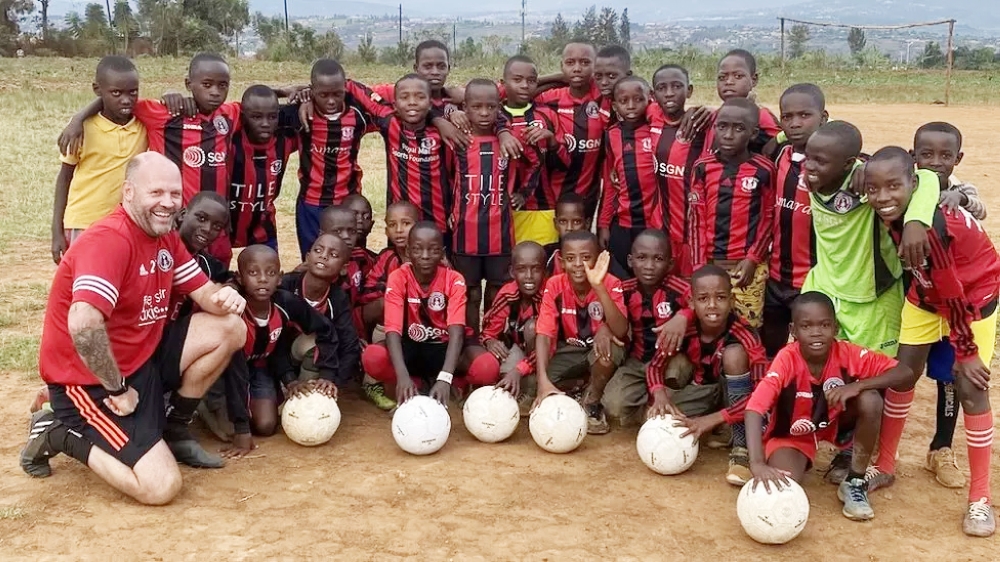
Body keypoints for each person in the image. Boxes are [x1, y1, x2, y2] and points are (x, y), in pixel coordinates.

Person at [21, 153, 247, 505]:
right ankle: (59, 431)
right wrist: (118, 387)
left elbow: (205, 294)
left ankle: (175, 426)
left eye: (175, 194)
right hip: (92, 380)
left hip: (141, 360)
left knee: (231, 327)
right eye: (156, 192)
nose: (168, 203)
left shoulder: (165, 238)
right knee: (161, 487)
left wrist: (227, 297)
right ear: (128, 192)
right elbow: (84, 323)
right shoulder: (110, 241)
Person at [866, 146, 1000, 537]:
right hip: (925, 297)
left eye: (894, 186)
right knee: (903, 374)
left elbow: (954, 291)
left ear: (913, 183)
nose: (883, 197)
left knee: (970, 386)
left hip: (973, 300)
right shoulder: (906, 205)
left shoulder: (932, 228)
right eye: (874, 188)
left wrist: (969, 352)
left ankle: (979, 500)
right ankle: (886, 465)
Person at [798, 123, 939, 483]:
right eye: (807, 157)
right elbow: (785, 135)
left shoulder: (864, 184)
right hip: (825, 291)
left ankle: (853, 451)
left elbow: (927, 177)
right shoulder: (804, 167)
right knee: (810, 370)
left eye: (819, 160)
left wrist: (917, 221)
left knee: (871, 382)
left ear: (847, 165)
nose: (809, 166)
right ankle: (803, 438)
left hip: (874, 299)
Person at [745, 291, 915, 522]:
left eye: (824, 325)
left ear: (835, 328)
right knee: (783, 486)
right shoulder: (787, 359)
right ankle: (792, 458)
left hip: (836, 424)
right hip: (794, 434)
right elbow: (754, 409)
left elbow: (905, 373)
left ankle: (854, 481)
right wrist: (756, 463)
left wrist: (859, 385)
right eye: (807, 326)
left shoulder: (847, 353)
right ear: (793, 331)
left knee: (870, 398)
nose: (816, 332)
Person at [911, 121, 987, 488]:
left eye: (945, 156)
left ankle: (941, 447)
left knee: (951, 376)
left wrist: (960, 199)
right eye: (927, 155)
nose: (936, 163)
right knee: (901, 372)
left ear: (957, 159)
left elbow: (980, 208)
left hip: (961, 301)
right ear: (914, 158)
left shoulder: (960, 191)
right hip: (920, 299)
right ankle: (882, 452)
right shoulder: (904, 188)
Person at [645, 265, 767, 485]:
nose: (712, 305)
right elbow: (654, 367)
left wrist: (712, 419)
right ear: (691, 302)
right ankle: (719, 428)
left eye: (720, 297)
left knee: (734, 355)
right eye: (703, 299)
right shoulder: (682, 329)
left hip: (735, 397)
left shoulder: (747, 336)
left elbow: (761, 398)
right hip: (701, 390)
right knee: (661, 419)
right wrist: (659, 394)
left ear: (731, 300)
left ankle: (741, 448)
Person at [360, 222, 498, 405]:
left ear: (442, 253)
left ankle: (454, 382)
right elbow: (392, 330)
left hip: (447, 348)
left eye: (433, 250)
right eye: (417, 250)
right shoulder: (399, 277)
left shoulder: (454, 279)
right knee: (373, 357)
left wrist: (446, 377)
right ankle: (413, 383)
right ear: (408, 252)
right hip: (410, 346)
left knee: (487, 367)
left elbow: (457, 332)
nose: (425, 256)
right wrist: (402, 377)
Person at [222, 245, 342, 448]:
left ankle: (258, 402)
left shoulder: (285, 302)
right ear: (240, 279)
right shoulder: (234, 310)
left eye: (270, 273)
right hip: (224, 373)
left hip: (260, 369)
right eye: (253, 272)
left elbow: (324, 330)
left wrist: (294, 379)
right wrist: (241, 428)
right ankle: (210, 402)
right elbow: (234, 371)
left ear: (280, 278)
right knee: (228, 431)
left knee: (266, 426)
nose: (262, 279)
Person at [688, 97, 775, 329]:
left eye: (738, 129)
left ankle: (750, 365)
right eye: (722, 126)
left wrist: (752, 259)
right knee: (708, 327)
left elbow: (768, 219)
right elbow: (696, 220)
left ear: (753, 133)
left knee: (748, 328)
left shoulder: (764, 170)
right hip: (710, 265)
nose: (728, 135)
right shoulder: (703, 167)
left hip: (747, 268)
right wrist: (698, 267)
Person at [52, 55, 147, 265]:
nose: (125, 100)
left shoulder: (143, 123)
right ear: (97, 90)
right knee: (82, 282)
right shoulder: (81, 129)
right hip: (84, 222)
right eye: (116, 93)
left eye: (133, 92)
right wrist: (56, 231)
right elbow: (64, 178)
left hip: (126, 223)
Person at [449, 79, 528, 332]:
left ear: (499, 108)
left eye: (491, 107)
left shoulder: (508, 142)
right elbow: (447, 179)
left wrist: (523, 193)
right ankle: (472, 338)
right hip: (465, 233)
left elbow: (533, 165)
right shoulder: (457, 141)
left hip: (500, 234)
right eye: (476, 107)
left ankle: (492, 335)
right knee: (470, 292)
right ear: (465, 108)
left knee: (497, 290)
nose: (484, 113)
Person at [531, 231, 628, 434]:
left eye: (586, 258)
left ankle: (591, 401)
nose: (577, 264)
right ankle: (581, 385)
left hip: (600, 350)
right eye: (570, 258)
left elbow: (621, 330)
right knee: (536, 383)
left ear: (598, 258)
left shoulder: (611, 283)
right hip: (572, 350)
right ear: (561, 261)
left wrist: (598, 286)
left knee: (609, 347)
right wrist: (542, 382)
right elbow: (544, 334)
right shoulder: (555, 284)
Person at [762, 83, 828, 358]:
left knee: (811, 352)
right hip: (775, 277)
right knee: (770, 348)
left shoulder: (839, 166)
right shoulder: (778, 155)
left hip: (814, 281)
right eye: (787, 117)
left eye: (804, 115)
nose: (795, 123)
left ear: (823, 118)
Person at [285, 59, 374, 259]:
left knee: (351, 261)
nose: (331, 101)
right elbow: (259, 103)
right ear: (312, 91)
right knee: (314, 260)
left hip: (348, 204)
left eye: (337, 94)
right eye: (323, 95)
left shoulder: (358, 114)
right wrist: (291, 93)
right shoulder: (300, 115)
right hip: (311, 204)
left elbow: (391, 99)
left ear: (345, 89)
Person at [602, 230, 692, 426]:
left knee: (679, 369)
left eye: (658, 259)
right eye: (642, 258)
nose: (649, 266)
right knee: (613, 406)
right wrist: (604, 327)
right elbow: (607, 312)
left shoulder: (680, 289)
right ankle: (649, 410)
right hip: (637, 361)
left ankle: (660, 401)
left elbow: (701, 302)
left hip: (671, 359)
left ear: (669, 264)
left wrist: (684, 315)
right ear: (630, 260)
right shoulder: (625, 289)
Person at [598, 76, 663, 279]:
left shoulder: (657, 130)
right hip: (623, 223)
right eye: (624, 101)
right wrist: (603, 224)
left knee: (651, 275)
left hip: (653, 223)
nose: (632, 106)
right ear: (615, 105)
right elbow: (610, 184)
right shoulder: (611, 135)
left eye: (639, 99)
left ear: (650, 99)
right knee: (621, 276)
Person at [536, 42, 609, 223]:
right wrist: (554, 78)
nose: (577, 69)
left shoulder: (604, 97)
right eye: (570, 63)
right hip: (551, 197)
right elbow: (515, 91)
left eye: (585, 63)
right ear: (562, 66)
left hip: (587, 197)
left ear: (595, 66)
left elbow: (632, 87)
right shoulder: (550, 98)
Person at [279, 234, 362, 391]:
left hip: (313, 359)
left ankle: (306, 392)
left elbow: (349, 344)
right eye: (318, 250)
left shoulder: (338, 298)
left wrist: (332, 380)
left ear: (344, 268)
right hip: (277, 360)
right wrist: (287, 377)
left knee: (315, 339)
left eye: (333, 255)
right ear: (307, 257)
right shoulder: (285, 287)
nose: (324, 256)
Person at [648, 64, 706, 274]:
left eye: (677, 86)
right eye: (662, 88)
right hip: (661, 225)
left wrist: (702, 111)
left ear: (689, 90)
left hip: (693, 232)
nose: (670, 93)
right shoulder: (652, 116)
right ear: (653, 95)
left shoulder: (702, 126)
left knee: (692, 287)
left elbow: (737, 114)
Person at [475, 241, 547, 407]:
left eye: (536, 269)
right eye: (521, 269)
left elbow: (549, 345)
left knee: (533, 328)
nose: (529, 276)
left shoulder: (547, 297)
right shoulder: (508, 294)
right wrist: (490, 341)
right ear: (512, 272)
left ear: (544, 272)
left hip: (549, 354)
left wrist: (519, 370)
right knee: (501, 375)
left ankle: (535, 385)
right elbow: (487, 331)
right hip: (520, 349)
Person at [228, 85, 297, 253]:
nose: (265, 123)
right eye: (257, 117)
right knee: (216, 277)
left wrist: (299, 94)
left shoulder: (285, 140)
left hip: (263, 228)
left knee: (266, 275)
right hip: (222, 226)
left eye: (272, 117)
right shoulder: (227, 139)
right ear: (243, 117)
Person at [499, 55, 559, 247]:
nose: (525, 85)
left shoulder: (547, 114)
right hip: (501, 210)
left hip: (542, 208)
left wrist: (551, 140)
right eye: (517, 80)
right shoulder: (492, 116)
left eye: (531, 80)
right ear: (503, 83)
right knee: (510, 269)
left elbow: (564, 162)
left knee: (542, 267)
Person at [698, 49, 781, 156]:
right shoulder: (713, 115)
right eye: (722, 77)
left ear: (754, 80)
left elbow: (781, 144)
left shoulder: (761, 115)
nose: (729, 82)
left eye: (738, 76)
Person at [547, 193, 588, 276]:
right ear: (555, 224)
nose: (569, 228)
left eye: (576, 222)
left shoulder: (599, 255)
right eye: (563, 222)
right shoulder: (546, 254)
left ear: (587, 224)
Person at [344, 193, 377, 277]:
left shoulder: (375, 260)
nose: (360, 220)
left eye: (366, 217)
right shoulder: (333, 258)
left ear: (372, 225)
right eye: (354, 215)